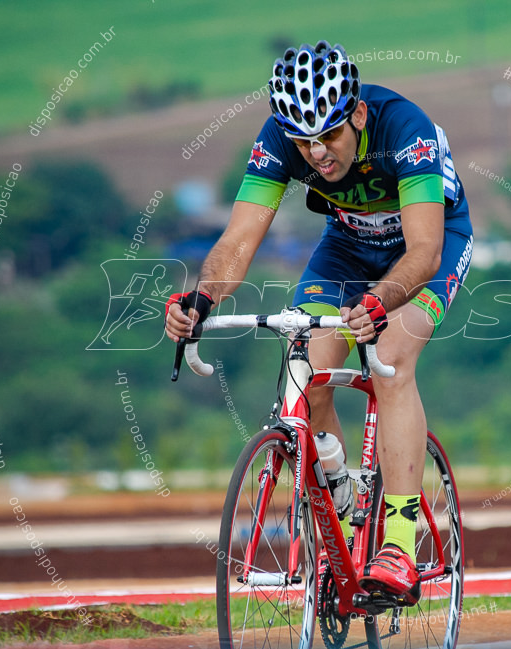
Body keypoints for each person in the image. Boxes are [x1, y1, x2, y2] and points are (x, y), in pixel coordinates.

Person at [165, 41, 473, 604]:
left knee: (391, 359)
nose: (317, 153)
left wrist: (379, 304)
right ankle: (340, 494)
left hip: (428, 247)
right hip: (347, 248)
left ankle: (400, 545)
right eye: (303, 141)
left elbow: (425, 250)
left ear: (356, 113)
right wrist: (201, 299)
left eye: (328, 135)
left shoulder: (406, 129)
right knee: (304, 367)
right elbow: (237, 241)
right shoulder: (281, 141)